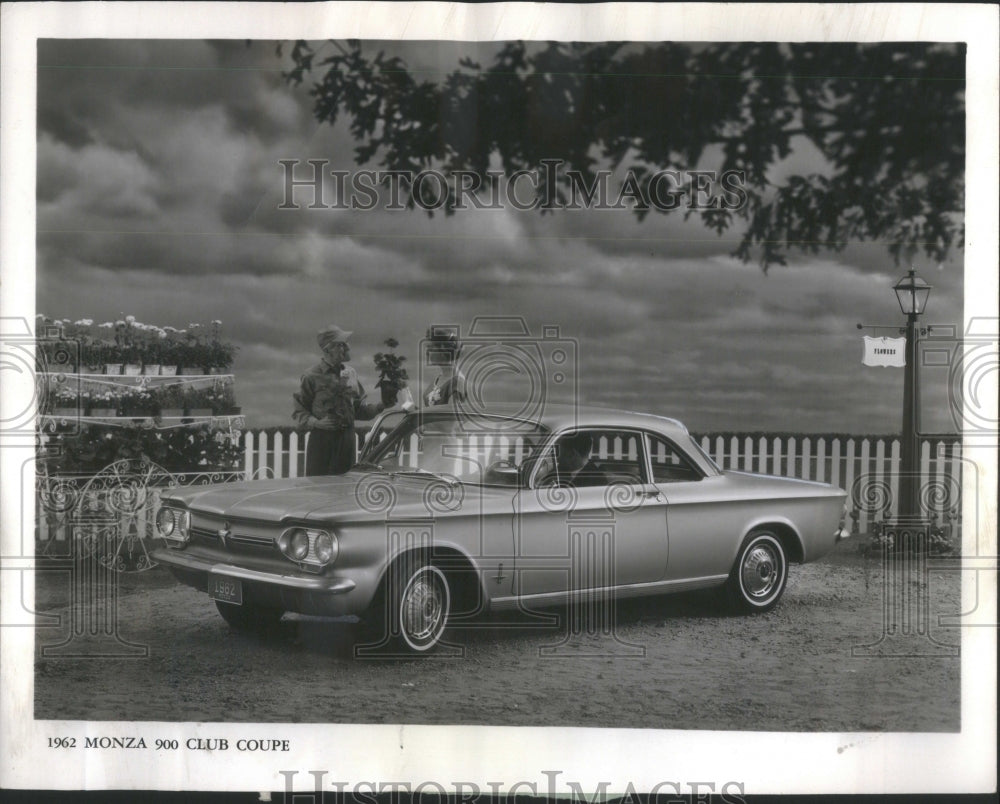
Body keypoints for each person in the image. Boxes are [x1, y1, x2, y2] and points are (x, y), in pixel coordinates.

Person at [293, 325, 383, 476]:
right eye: (341, 344)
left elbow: (359, 410)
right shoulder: (311, 376)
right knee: (319, 488)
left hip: (347, 440)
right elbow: (299, 411)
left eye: (346, 343)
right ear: (328, 349)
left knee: (345, 486)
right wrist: (317, 423)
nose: (347, 347)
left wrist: (381, 405)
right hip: (322, 440)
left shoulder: (351, 373)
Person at [543, 431, 608, 488]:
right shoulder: (557, 472)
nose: (557, 459)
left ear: (572, 454)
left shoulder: (597, 481)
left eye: (562, 454)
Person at [422, 326, 466, 407]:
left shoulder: (457, 382)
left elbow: (450, 417)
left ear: (443, 349)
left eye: (430, 347)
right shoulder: (439, 378)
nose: (427, 352)